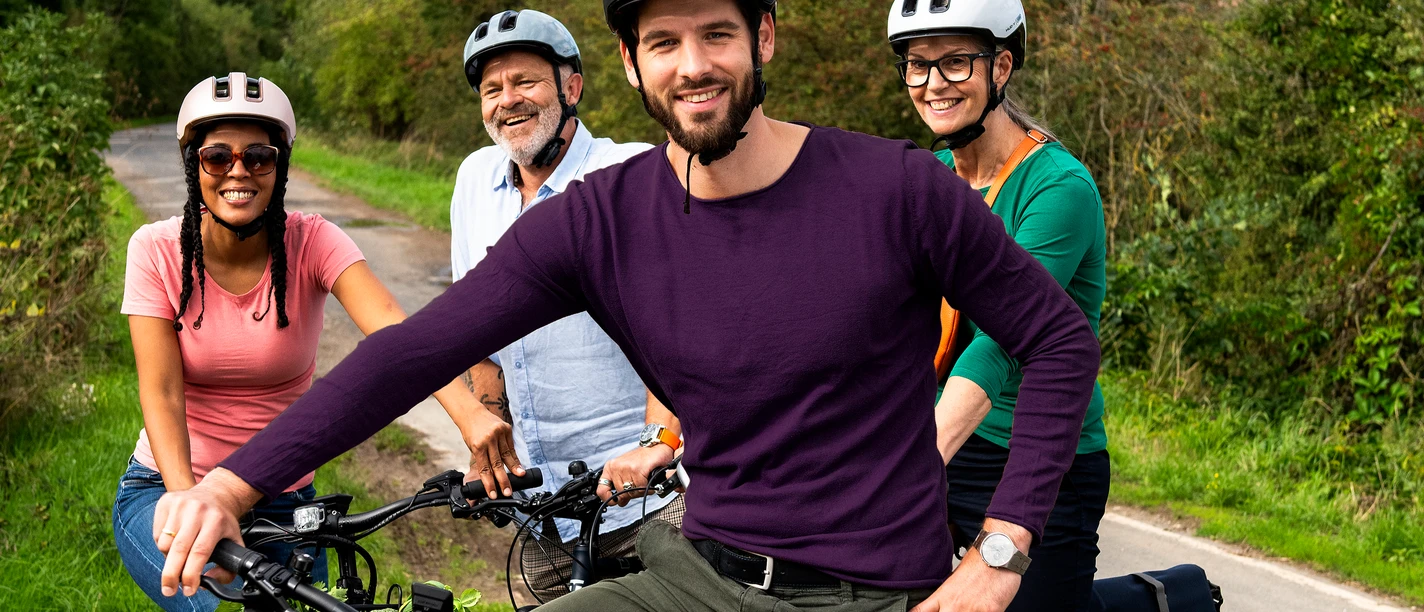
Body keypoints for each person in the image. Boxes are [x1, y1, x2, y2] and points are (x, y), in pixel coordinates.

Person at [149, 1, 1103, 610]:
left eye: (717, 34)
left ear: (762, 38)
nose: (694, 65)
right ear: (628, 62)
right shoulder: (599, 220)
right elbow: (412, 350)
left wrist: (1003, 549)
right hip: (699, 573)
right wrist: (235, 485)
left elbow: (1056, 341)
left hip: (868, 592)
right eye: (663, 42)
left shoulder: (894, 188)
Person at [111, 72, 502, 610]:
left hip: (282, 496)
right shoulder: (155, 250)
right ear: (193, 165)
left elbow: (399, 333)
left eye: (258, 157)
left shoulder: (312, 240)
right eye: (217, 157)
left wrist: (469, 415)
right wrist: (192, 505)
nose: (238, 172)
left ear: (281, 165)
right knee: (211, 602)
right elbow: (161, 395)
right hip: (167, 487)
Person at [450, 9, 682, 597]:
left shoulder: (630, 174)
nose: (508, 101)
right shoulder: (476, 178)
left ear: (571, 87)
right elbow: (473, 326)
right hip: (542, 508)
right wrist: (489, 433)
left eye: (525, 81)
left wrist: (657, 444)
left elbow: (681, 325)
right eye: (492, 89)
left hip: (649, 503)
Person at [888, 1, 1112, 610]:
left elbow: (1004, 341)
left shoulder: (1057, 186)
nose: (933, 84)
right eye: (917, 65)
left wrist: (913, 461)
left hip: (1041, 455)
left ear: (1002, 66)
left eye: (956, 62)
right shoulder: (928, 179)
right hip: (944, 432)